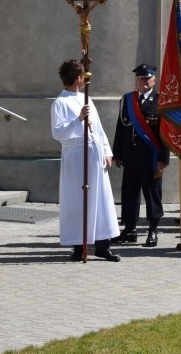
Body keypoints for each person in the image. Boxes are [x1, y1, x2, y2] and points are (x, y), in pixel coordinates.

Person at [51, 59, 120, 262]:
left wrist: (106, 151)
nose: (85, 80)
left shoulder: (86, 98)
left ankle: (103, 245)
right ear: (78, 79)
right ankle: (78, 246)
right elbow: (57, 132)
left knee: (101, 200)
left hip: (94, 153)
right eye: (83, 76)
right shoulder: (60, 103)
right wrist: (78, 119)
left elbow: (98, 129)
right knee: (78, 200)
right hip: (76, 156)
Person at [111, 63, 169, 247]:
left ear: (154, 80)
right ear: (136, 80)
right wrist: (117, 154)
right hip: (130, 157)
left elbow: (166, 133)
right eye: (140, 78)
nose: (144, 81)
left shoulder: (161, 101)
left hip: (151, 158)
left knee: (152, 195)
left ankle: (153, 230)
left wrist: (163, 158)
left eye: (147, 78)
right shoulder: (127, 99)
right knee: (129, 195)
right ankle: (129, 230)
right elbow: (121, 128)